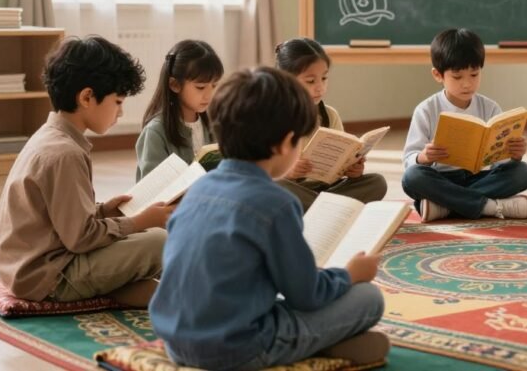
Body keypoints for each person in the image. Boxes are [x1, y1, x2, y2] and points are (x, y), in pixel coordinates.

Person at [150, 67, 388, 369]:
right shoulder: (275, 203)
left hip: (177, 342)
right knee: (368, 298)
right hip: (238, 348)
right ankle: (328, 344)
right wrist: (351, 274)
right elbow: (307, 294)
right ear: (285, 142)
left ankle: (330, 343)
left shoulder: (196, 189)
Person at [0, 36, 170, 306]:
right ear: (87, 97)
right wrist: (139, 222)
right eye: (118, 102)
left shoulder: (51, 137)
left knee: (145, 246)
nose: (120, 113)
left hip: (28, 267)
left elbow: (61, 221)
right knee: (159, 240)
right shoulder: (65, 153)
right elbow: (81, 239)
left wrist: (103, 210)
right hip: (48, 275)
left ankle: (159, 296)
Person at [402, 28, 527, 222]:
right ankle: (489, 206)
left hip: (480, 177)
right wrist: (423, 157)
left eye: (474, 75)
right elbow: (409, 160)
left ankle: (446, 206)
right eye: (457, 77)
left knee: (522, 172)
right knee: (412, 178)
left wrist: (514, 155)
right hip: (442, 179)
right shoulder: (427, 109)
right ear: (438, 75)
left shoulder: (490, 107)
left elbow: (501, 162)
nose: (467, 84)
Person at [273, 37, 388, 210]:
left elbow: (335, 172)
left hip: (324, 190)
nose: (320, 87)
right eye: (311, 81)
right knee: (278, 189)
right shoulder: (269, 115)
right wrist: (287, 172)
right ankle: (332, 211)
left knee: (377, 182)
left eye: (324, 78)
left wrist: (352, 170)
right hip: (289, 188)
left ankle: (321, 211)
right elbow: (257, 173)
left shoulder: (329, 115)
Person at [135, 39, 223, 180]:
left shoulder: (212, 124)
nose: (209, 95)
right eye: (200, 87)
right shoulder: (155, 132)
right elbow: (153, 185)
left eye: (214, 86)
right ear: (174, 84)